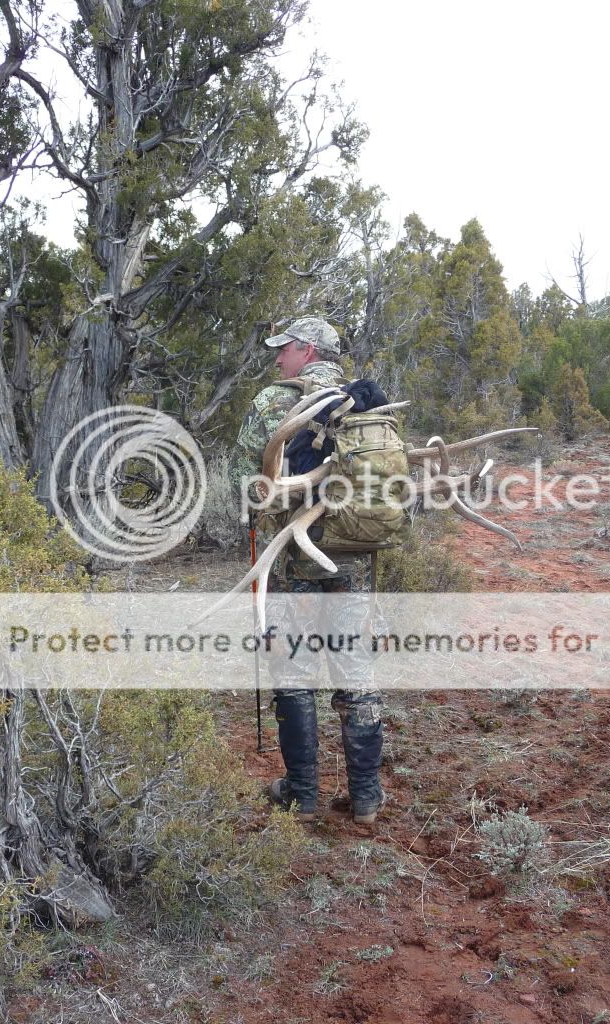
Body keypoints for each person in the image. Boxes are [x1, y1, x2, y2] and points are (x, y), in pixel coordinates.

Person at [228, 316, 386, 825]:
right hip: (353, 555)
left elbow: (243, 483)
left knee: (293, 671)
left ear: (307, 350)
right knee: (355, 670)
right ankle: (366, 798)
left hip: (291, 556)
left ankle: (302, 795)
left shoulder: (273, 403)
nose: (278, 358)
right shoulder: (367, 402)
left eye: (285, 349)